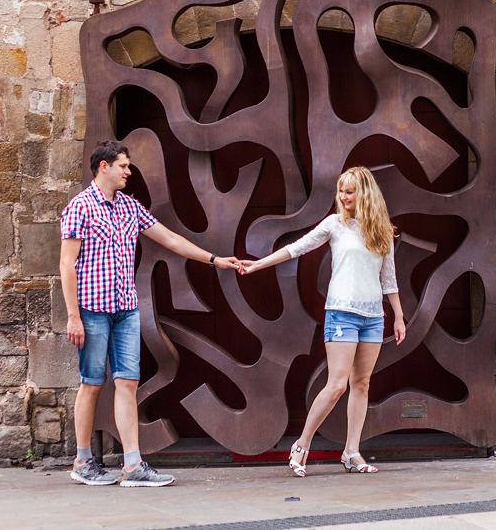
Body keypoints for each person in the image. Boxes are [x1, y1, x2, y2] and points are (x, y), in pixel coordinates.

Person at [60, 140, 241, 487]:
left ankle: (132, 466)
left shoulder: (130, 207)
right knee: (92, 383)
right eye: (123, 166)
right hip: (92, 310)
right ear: (104, 167)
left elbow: (170, 239)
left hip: (126, 309)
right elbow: (67, 265)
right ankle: (83, 461)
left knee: (128, 382)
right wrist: (73, 316)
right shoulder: (79, 208)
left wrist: (215, 260)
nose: (129, 171)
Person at [240, 166, 406, 476]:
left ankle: (351, 452)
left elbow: (389, 279)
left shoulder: (382, 230)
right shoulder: (335, 225)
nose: (343, 197)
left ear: (365, 194)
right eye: (341, 191)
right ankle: (302, 444)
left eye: (349, 191)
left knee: (362, 384)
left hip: (373, 317)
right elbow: (297, 247)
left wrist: (397, 316)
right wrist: (258, 265)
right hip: (341, 312)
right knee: (336, 385)